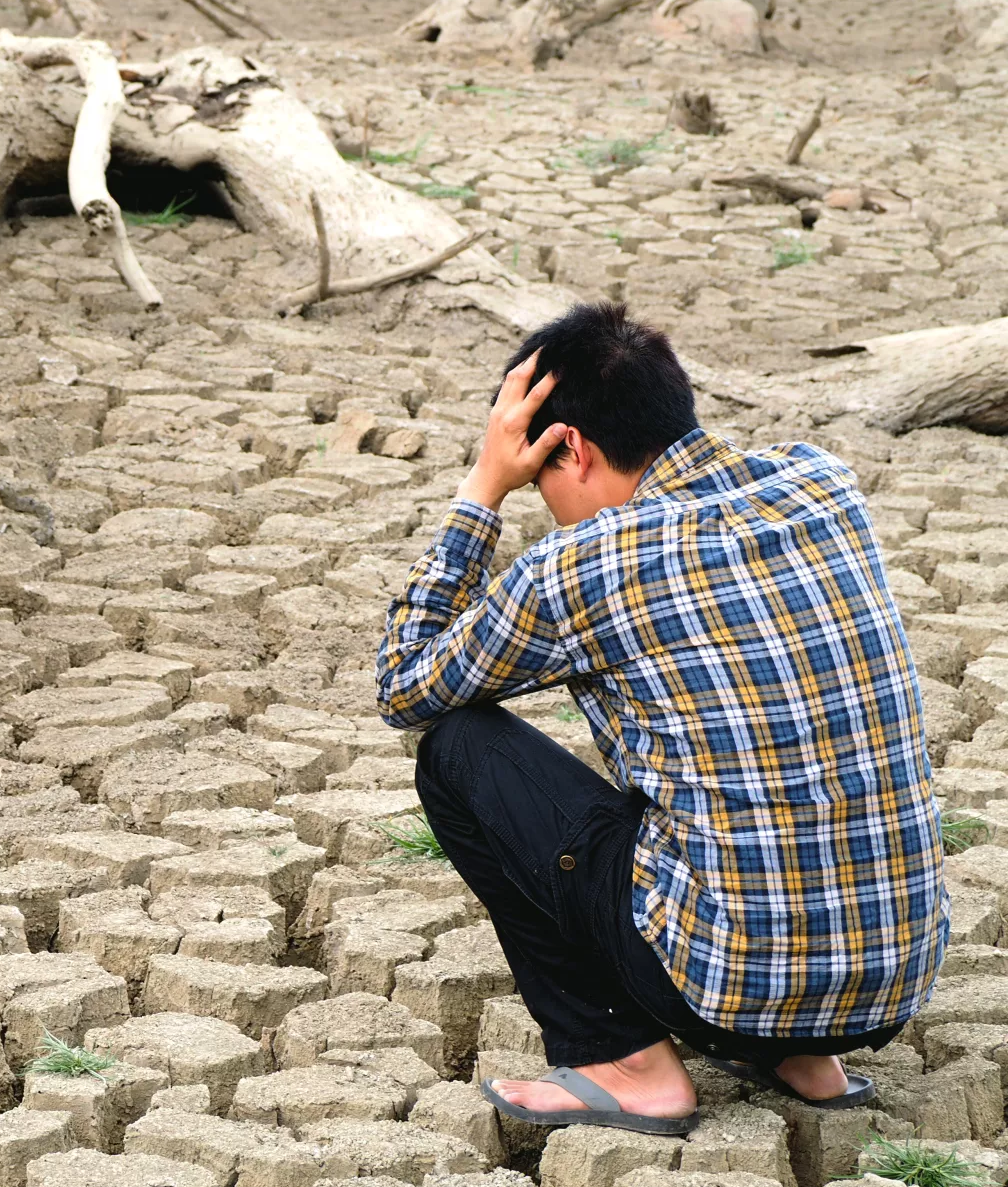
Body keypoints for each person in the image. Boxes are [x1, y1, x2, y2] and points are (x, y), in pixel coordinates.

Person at [375, 302, 948, 1134]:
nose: (547, 503)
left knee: (458, 748)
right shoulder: (821, 483)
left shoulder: (584, 562)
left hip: (722, 989)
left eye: (540, 481)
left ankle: (625, 1061)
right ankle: (802, 1057)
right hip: (891, 991)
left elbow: (404, 685)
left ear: (570, 448)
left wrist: (482, 487)